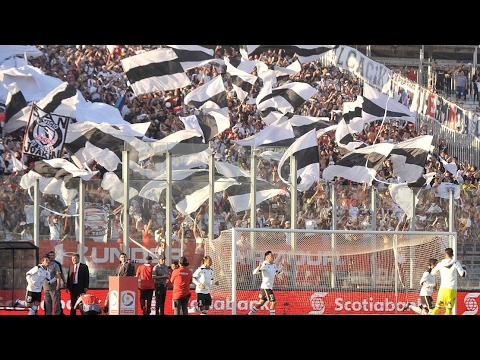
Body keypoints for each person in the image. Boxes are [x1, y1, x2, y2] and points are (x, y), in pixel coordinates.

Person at [430, 247, 467, 315]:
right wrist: (464, 269)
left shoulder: (440, 264)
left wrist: (439, 271)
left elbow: (432, 273)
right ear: (452, 255)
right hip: (451, 289)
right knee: (448, 310)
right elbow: (462, 274)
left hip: (442, 290)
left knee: (437, 308)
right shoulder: (456, 263)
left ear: (445, 254)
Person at [247, 250, 285, 315]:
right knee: (273, 302)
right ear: (267, 257)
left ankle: (249, 314)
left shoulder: (273, 265)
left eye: (272, 255)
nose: (273, 256)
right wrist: (258, 267)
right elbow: (254, 273)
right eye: (271, 255)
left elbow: (277, 272)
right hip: (266, 287)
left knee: (261, 303)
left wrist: (282, 267)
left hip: (268, 287)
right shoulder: (264, 264)